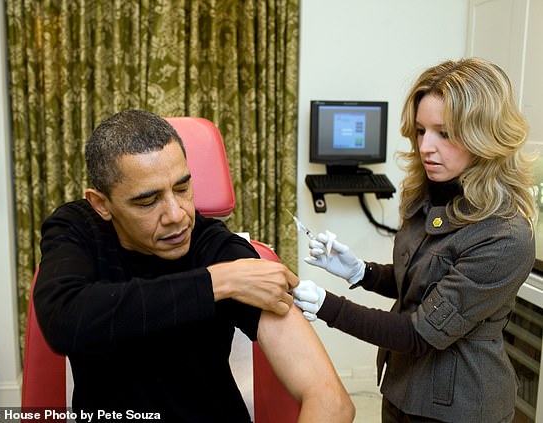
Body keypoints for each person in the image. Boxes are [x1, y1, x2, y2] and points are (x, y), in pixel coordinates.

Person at [34, 109, 354, 422]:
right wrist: (217, 283)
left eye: (183, 188)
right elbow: (65, 321)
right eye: (148, 201)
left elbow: (331, 402)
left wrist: (224, 275)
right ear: (102, 204)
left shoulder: (218, 249)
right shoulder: (77, 229)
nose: (177, 215)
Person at [293, 57, 536, 423]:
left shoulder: (504, 237)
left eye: (445, 133)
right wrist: (362, 272)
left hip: (459, 405)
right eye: (421, 131)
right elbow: (423, 284)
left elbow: (421, 332)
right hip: (403, 386)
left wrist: (328, 306)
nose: (426, 146)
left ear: (484, 136)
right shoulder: (429, 197)